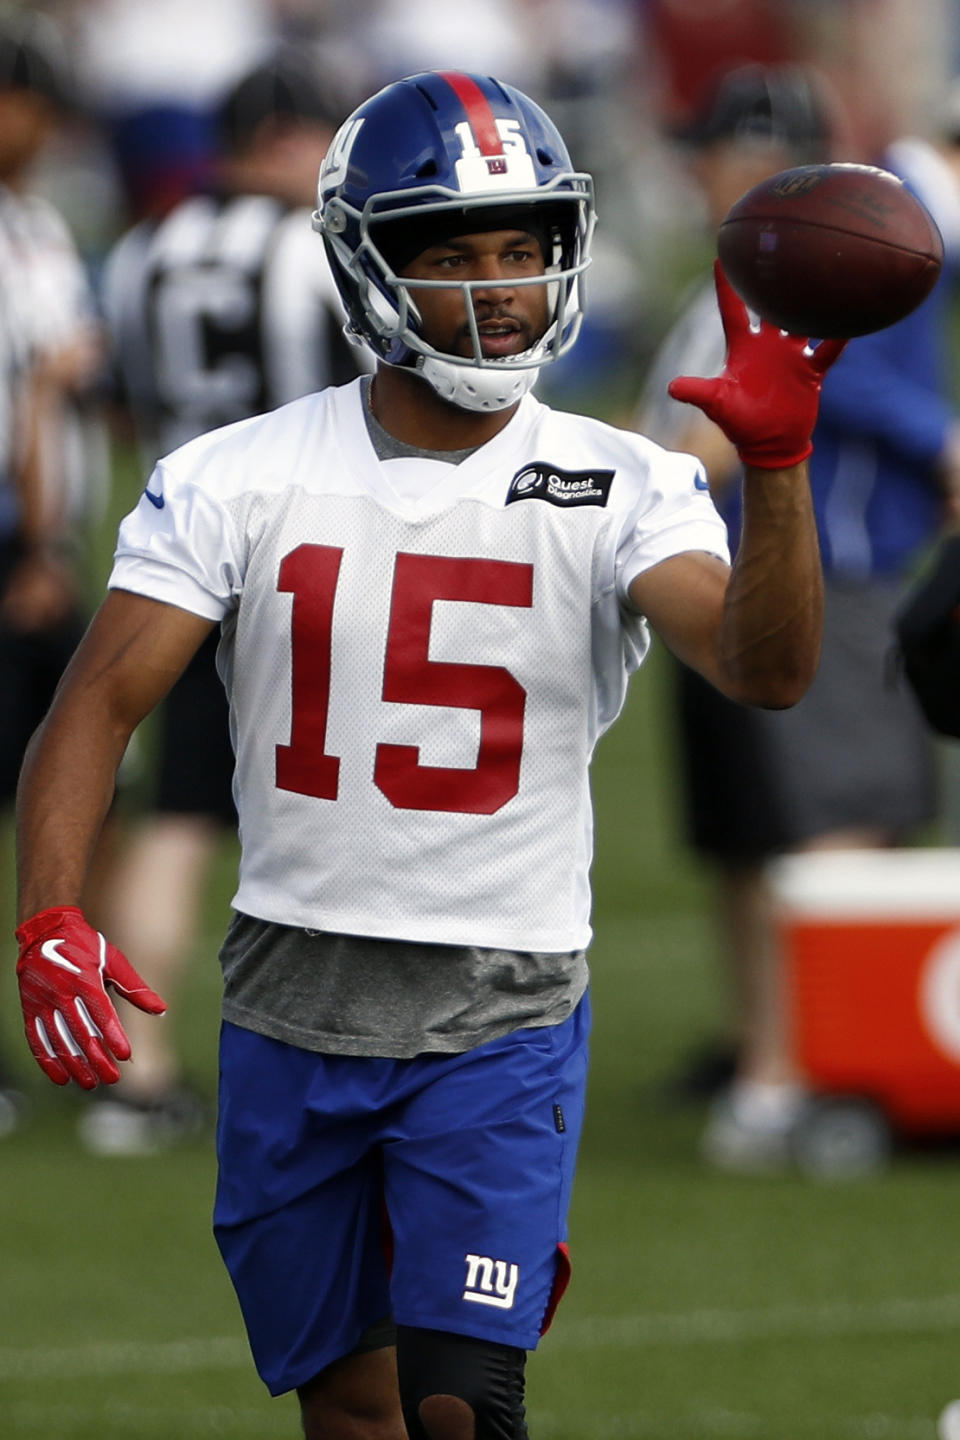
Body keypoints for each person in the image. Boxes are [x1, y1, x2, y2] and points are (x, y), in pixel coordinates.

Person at [13, 71, 842, 1438]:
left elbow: (768, 669)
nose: (498, 287)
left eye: (522, 246)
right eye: (450, 253)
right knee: (350, 1407)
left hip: (500, 1004)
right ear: (363, 261)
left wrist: (782, 467)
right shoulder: (237, 473)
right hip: (291, 989)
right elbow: (95, 707)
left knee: (460, 1405)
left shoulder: (625, 478)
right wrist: (49, 910)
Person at [637, 63, 955, 1170]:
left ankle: (791, 1066)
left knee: (810, 832)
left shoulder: (815, 251)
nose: (710, 169)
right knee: (795, 832)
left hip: (804, 561)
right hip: (765, 568)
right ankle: (780, 1066)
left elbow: (800, 389)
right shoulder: (791, 259)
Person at [77, 49, 369, 1156]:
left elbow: (118, 402)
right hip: (316, 559)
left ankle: (135, 1071)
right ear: (295, 138)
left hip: (180, 551)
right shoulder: (317, 251)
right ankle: (343, 1061)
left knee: (181, 818)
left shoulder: (144, 249)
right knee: (338, 816)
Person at [0, 13, 106, 1136]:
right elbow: (29, 394)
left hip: (40, 540)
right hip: (11, 543)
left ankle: (76, 1023)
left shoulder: (34, 221)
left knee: (70, 790)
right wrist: (32, 546)